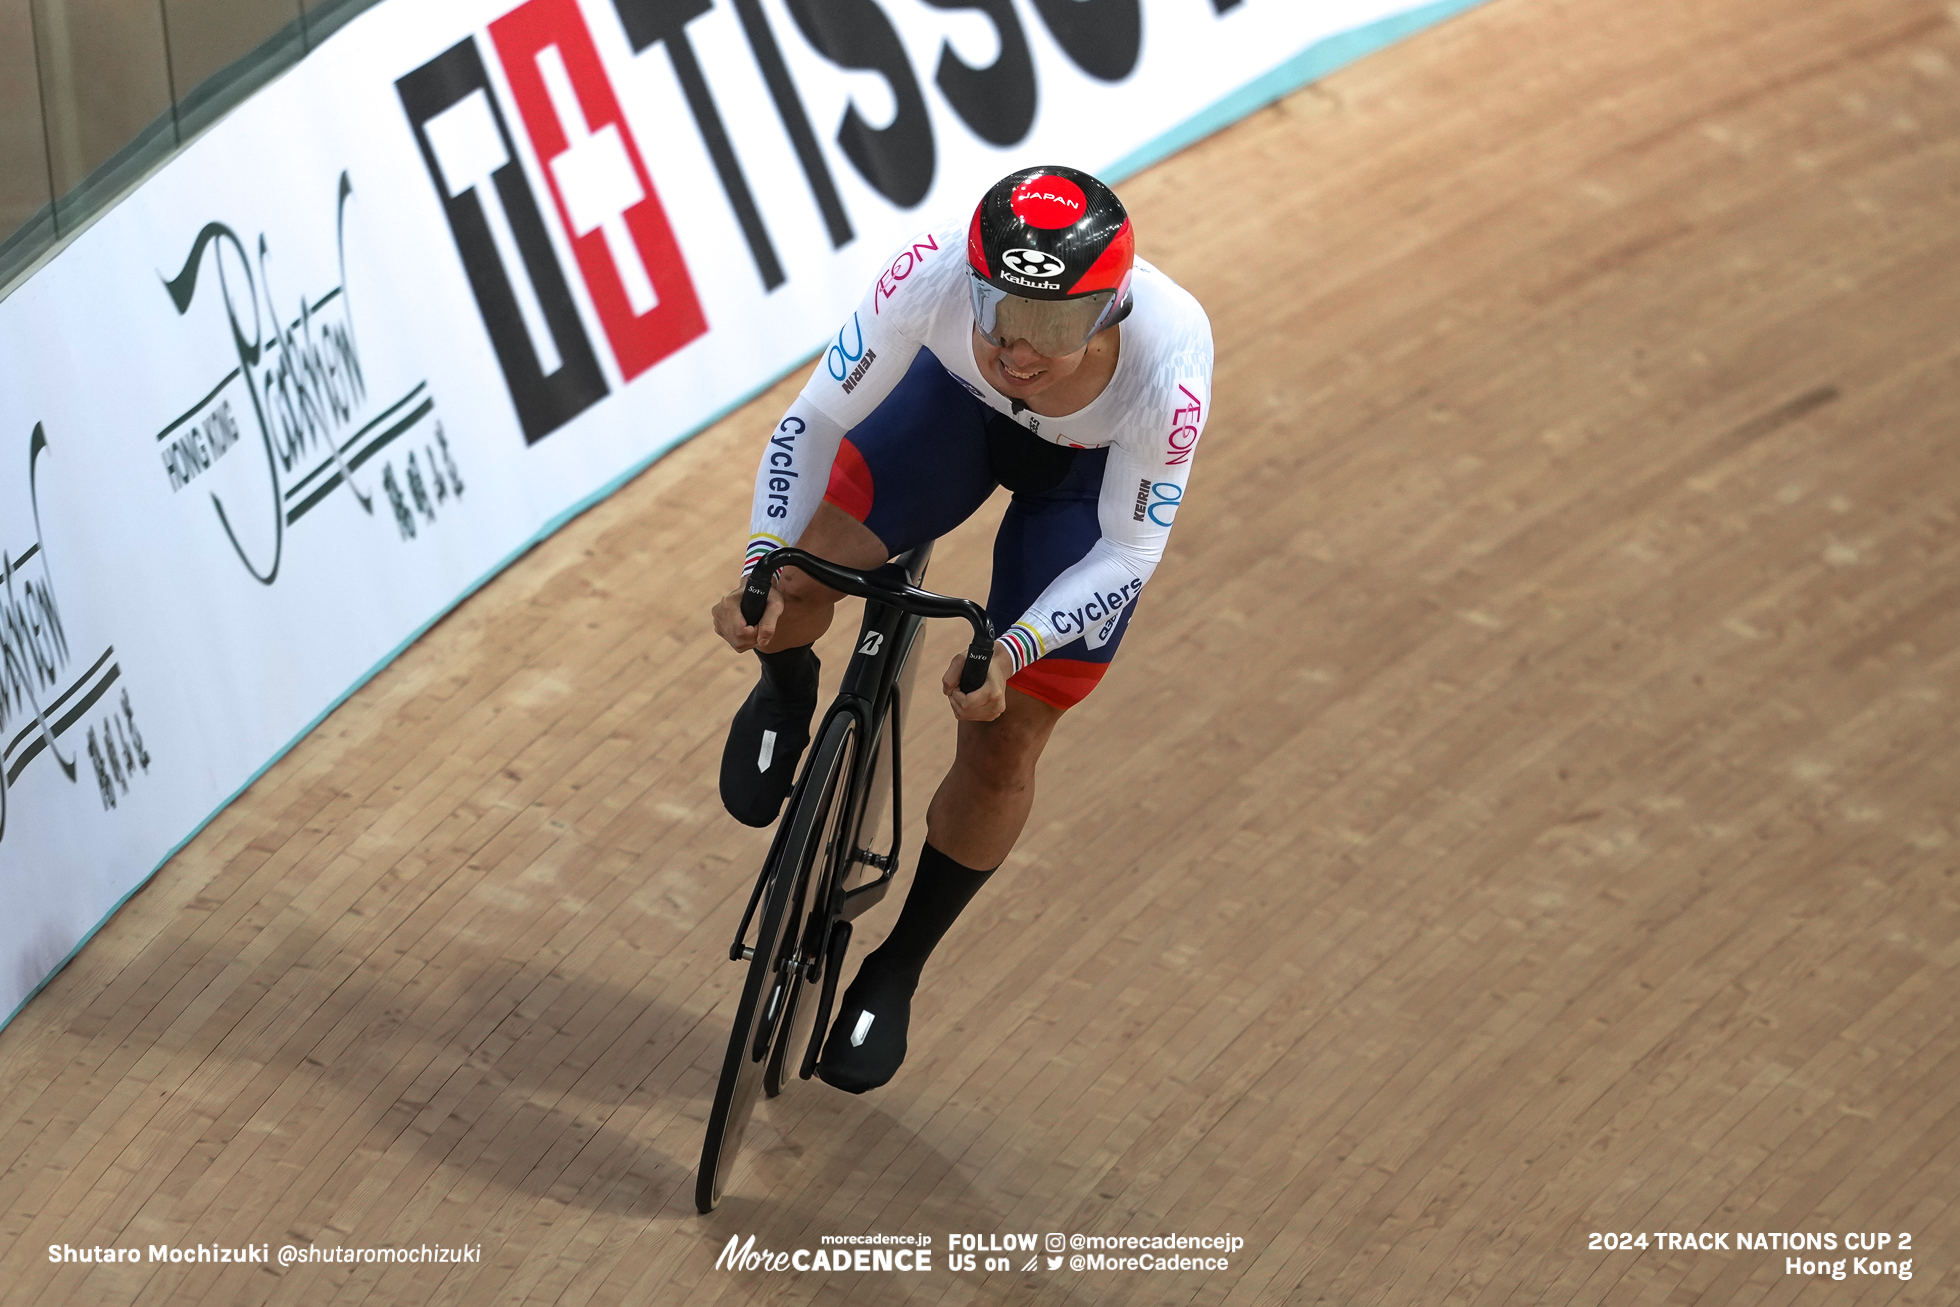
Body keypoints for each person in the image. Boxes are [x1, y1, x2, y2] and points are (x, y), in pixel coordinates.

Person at [710, 164, 1212, 1093]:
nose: (1022, 350)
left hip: (1083, 483)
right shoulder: (929, 271)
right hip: (953, 417)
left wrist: (1014, 647)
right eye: (1003, 312)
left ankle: (896, 965)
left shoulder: (1168, 364)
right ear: (970, 281)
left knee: (1005, 735)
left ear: (1110, 313)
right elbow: (813, 420)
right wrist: (758, 559)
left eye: (1058, 327)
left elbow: (1129, 552)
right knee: (805, 564)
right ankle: (786, 684)